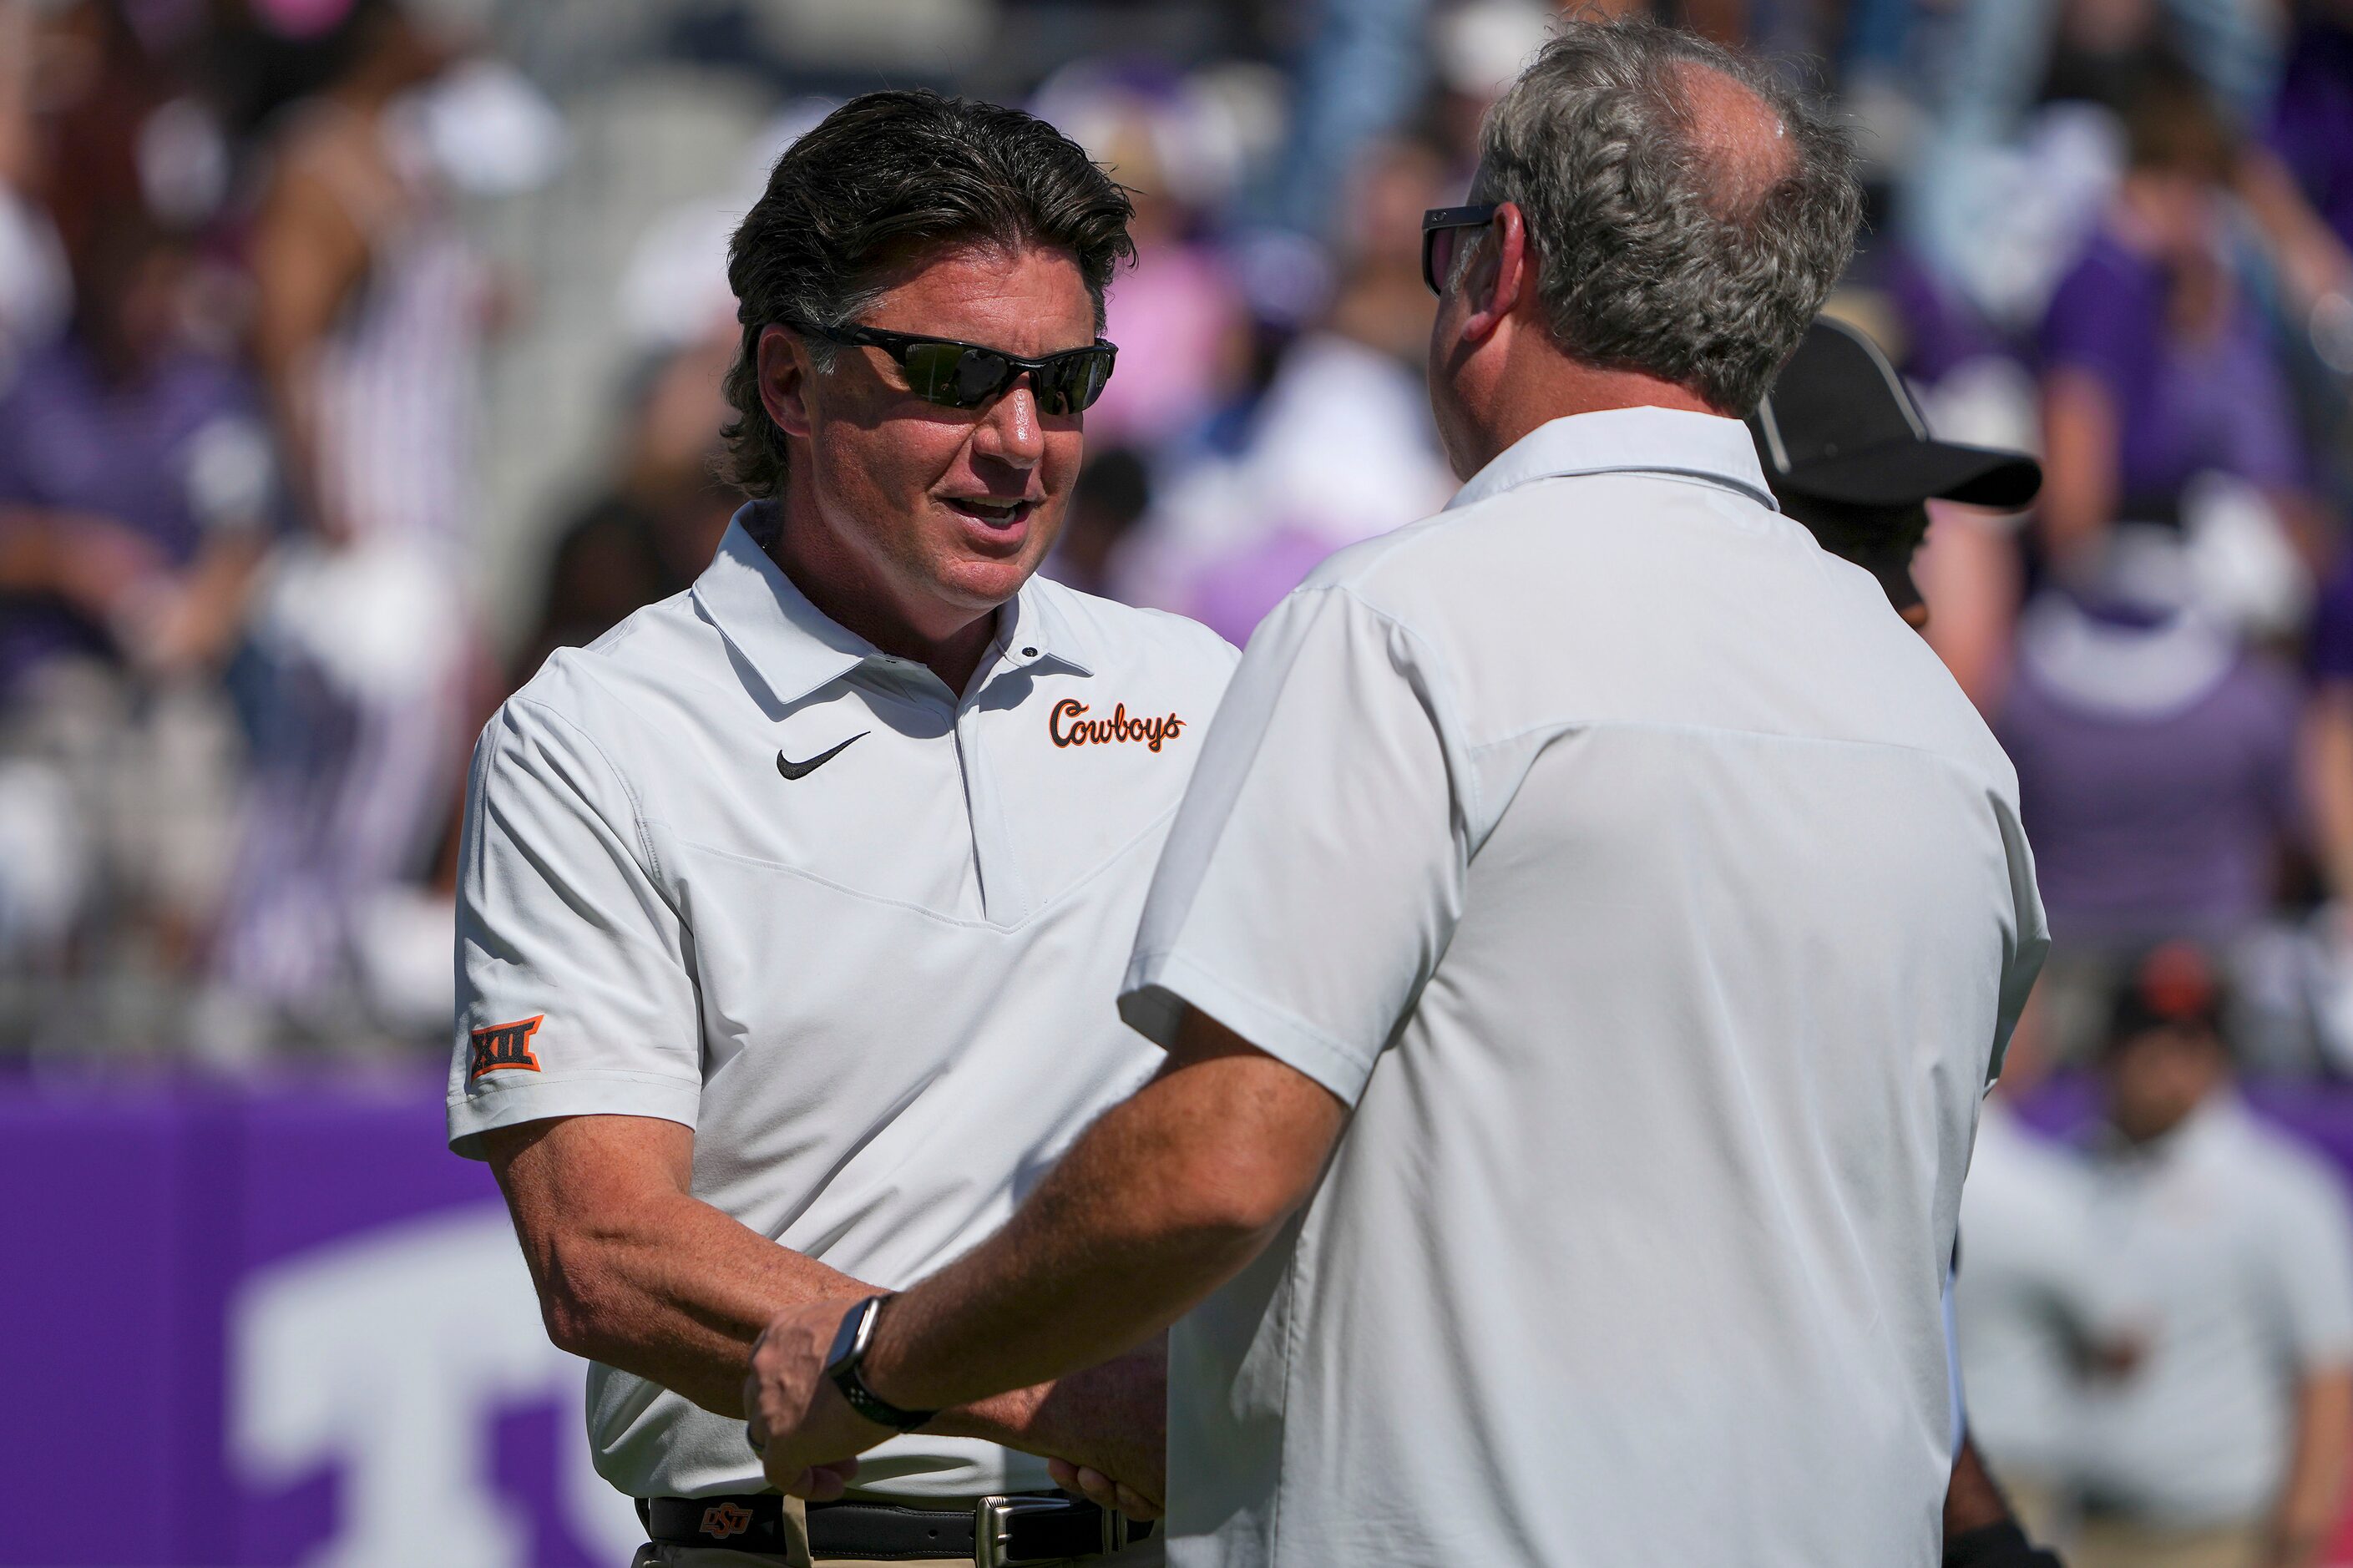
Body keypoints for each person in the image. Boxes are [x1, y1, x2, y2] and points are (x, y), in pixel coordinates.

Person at [745, 22, 2050, 1568]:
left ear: (1493, 267)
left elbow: (1213, 1161)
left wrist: (881, 1358)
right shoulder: (1942, 732)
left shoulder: (1404, 625)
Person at [448, 92, 1237, 1566]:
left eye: (1063, 383)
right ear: (790, 384)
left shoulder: (1196, 691)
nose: (1020, 440)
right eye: (952, 373)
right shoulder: (592, 736)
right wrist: (1046, 1397)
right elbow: (603, 1254)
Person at [1748, 316, 2099, 1568]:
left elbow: (1892, 1297)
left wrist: (1981, 1530)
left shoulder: (1915, 830)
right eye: (1856, 539)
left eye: (1912, 544)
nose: (1904, 599)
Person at [2074, 943, 2353, 1568]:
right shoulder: (2073, 1175)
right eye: (2148, 1041)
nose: (2168, 1064)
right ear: (2110, 1053)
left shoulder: (2283, 1194)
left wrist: (2303, 1527)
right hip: (2079, 1527)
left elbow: (2326, 1371)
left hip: (2213, 1537)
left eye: (2189, 1042)